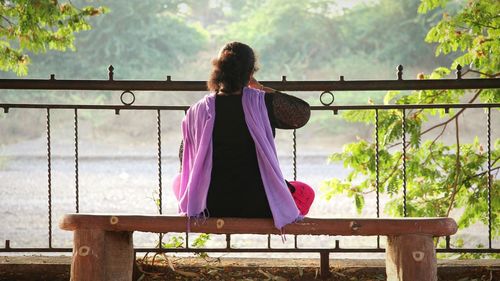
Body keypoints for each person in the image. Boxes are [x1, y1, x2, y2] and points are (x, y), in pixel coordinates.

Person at [174, 42, 314, 230]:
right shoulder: (263, 102)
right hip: (261, 205)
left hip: (208, 205)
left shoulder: (198, 110)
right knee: (305, 191)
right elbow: (301, 114)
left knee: (179, 181)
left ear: (218, 70)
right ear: (250, 72)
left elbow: (185, 159)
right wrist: (260, 87)